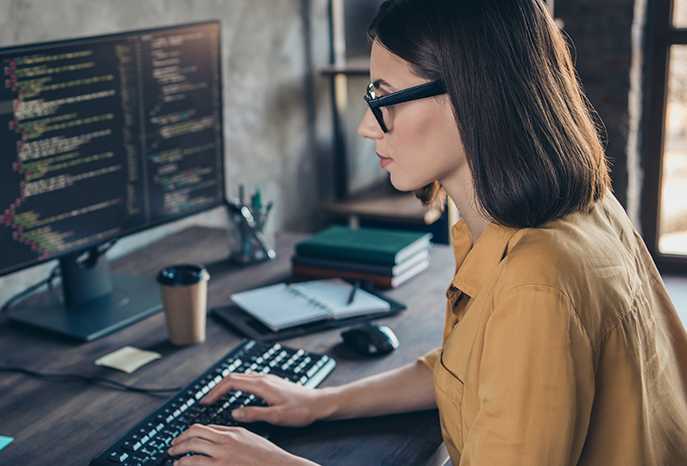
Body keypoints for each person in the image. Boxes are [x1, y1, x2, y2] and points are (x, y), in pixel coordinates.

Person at [167, 0, 687, 464]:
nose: (368, 125)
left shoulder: (537, 281)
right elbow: (476, 370)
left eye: (385, 97)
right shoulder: (581, 206)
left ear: (471, 95)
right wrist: (319, 403)